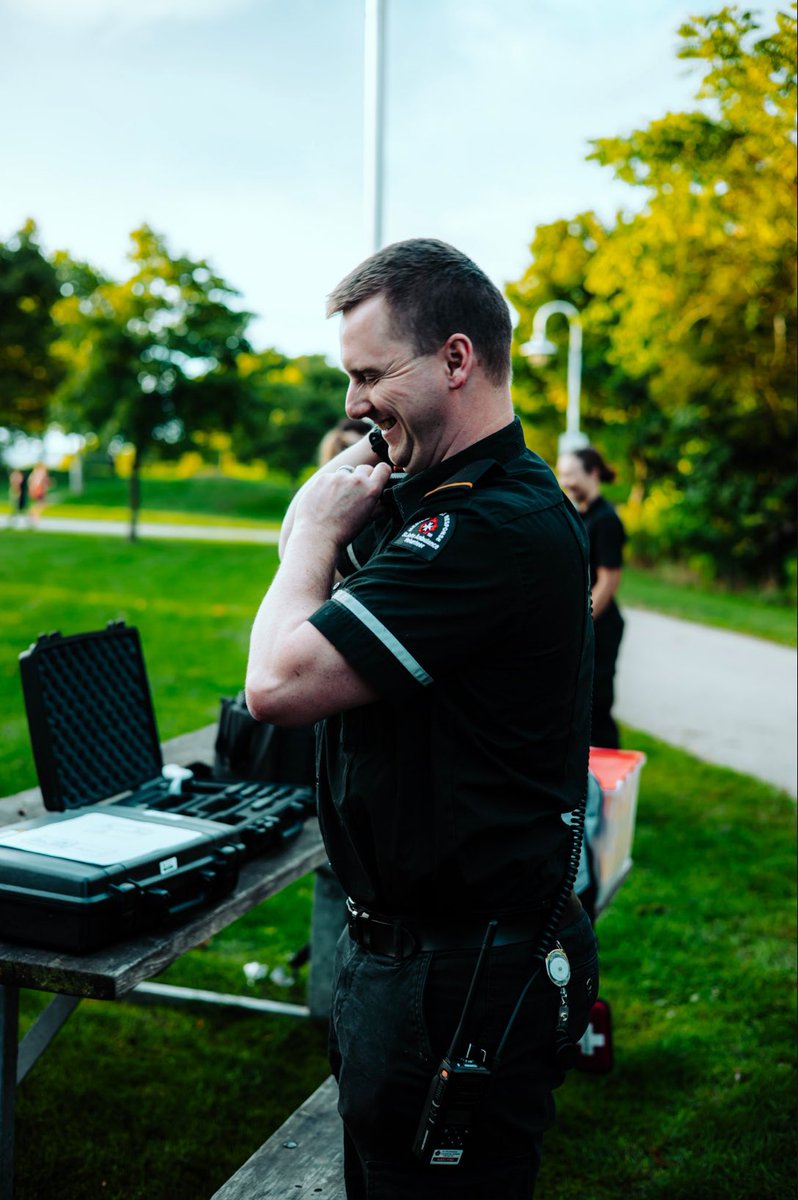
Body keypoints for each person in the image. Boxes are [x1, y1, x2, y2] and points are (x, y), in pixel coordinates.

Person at [246, 238, 598, 1199]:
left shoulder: (488, 527)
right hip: (423, 955)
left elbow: (277, 680)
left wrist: (309, 535)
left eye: (370, 374)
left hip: (455, 971)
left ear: (455, 359)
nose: (354, 404)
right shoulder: (445, 505)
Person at [557, 447, 626, 749]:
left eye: (572, 474)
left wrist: (581, 623)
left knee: (597, 706)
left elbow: (609, 580)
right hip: (584, 624)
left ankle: (612, 787)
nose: (566, 481)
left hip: (601, 625)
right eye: (562, 474)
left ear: (593, 473)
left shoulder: (607, 519)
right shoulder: (578, 514)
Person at [27, 462, 50, 526]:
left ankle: (33, 516)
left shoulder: (34, 473)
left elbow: (30, 482)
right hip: (38, 489)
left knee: (41, 504)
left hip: (37, 489)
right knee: (41, 504)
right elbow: (41, 482)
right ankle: (34, 516)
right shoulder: (40, 473)